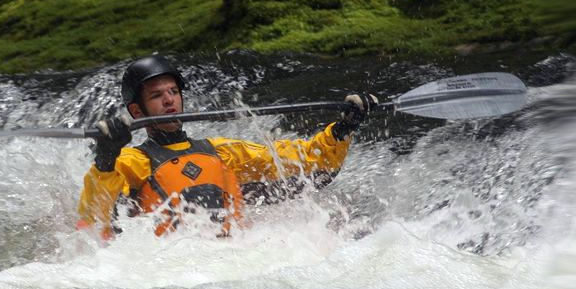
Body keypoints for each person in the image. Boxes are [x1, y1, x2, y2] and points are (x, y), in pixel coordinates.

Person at [75, 56, 379, 241]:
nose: (169, 101)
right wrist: (106, 158)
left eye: (174, 92)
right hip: (168, 268)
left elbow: (306, 161)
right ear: (137, 111)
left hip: (232, 261)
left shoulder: (222, 152)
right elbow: (93, 220)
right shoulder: (130, 161)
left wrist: (343, 128)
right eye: (157, 96)